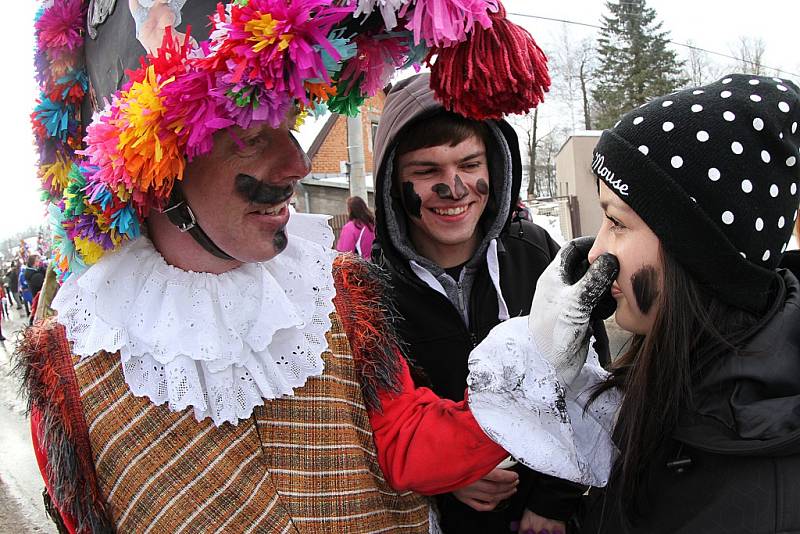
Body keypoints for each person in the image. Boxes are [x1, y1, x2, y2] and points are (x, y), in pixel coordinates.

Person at [19, 1, 554, 532]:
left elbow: (405, 442)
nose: (297, 164)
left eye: (288, 124)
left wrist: (542, 365)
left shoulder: (335, 287)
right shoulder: (72, 368)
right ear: (162, 168)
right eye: (252, 138)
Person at [468, 73, 800, 533]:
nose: (597, 250)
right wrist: (543, 371)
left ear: (697, 251)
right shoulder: (681, 379)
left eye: (616, 222)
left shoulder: (757, 494)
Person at [372, 73, 607, 534]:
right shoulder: (373, 293)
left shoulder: (538, 254)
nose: (454, 188)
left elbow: (591, 383)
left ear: (494, 167)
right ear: (391, 186)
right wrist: (448, 476)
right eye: (426, 171)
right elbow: (385, 428)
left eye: (469, 164)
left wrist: (555, 501)